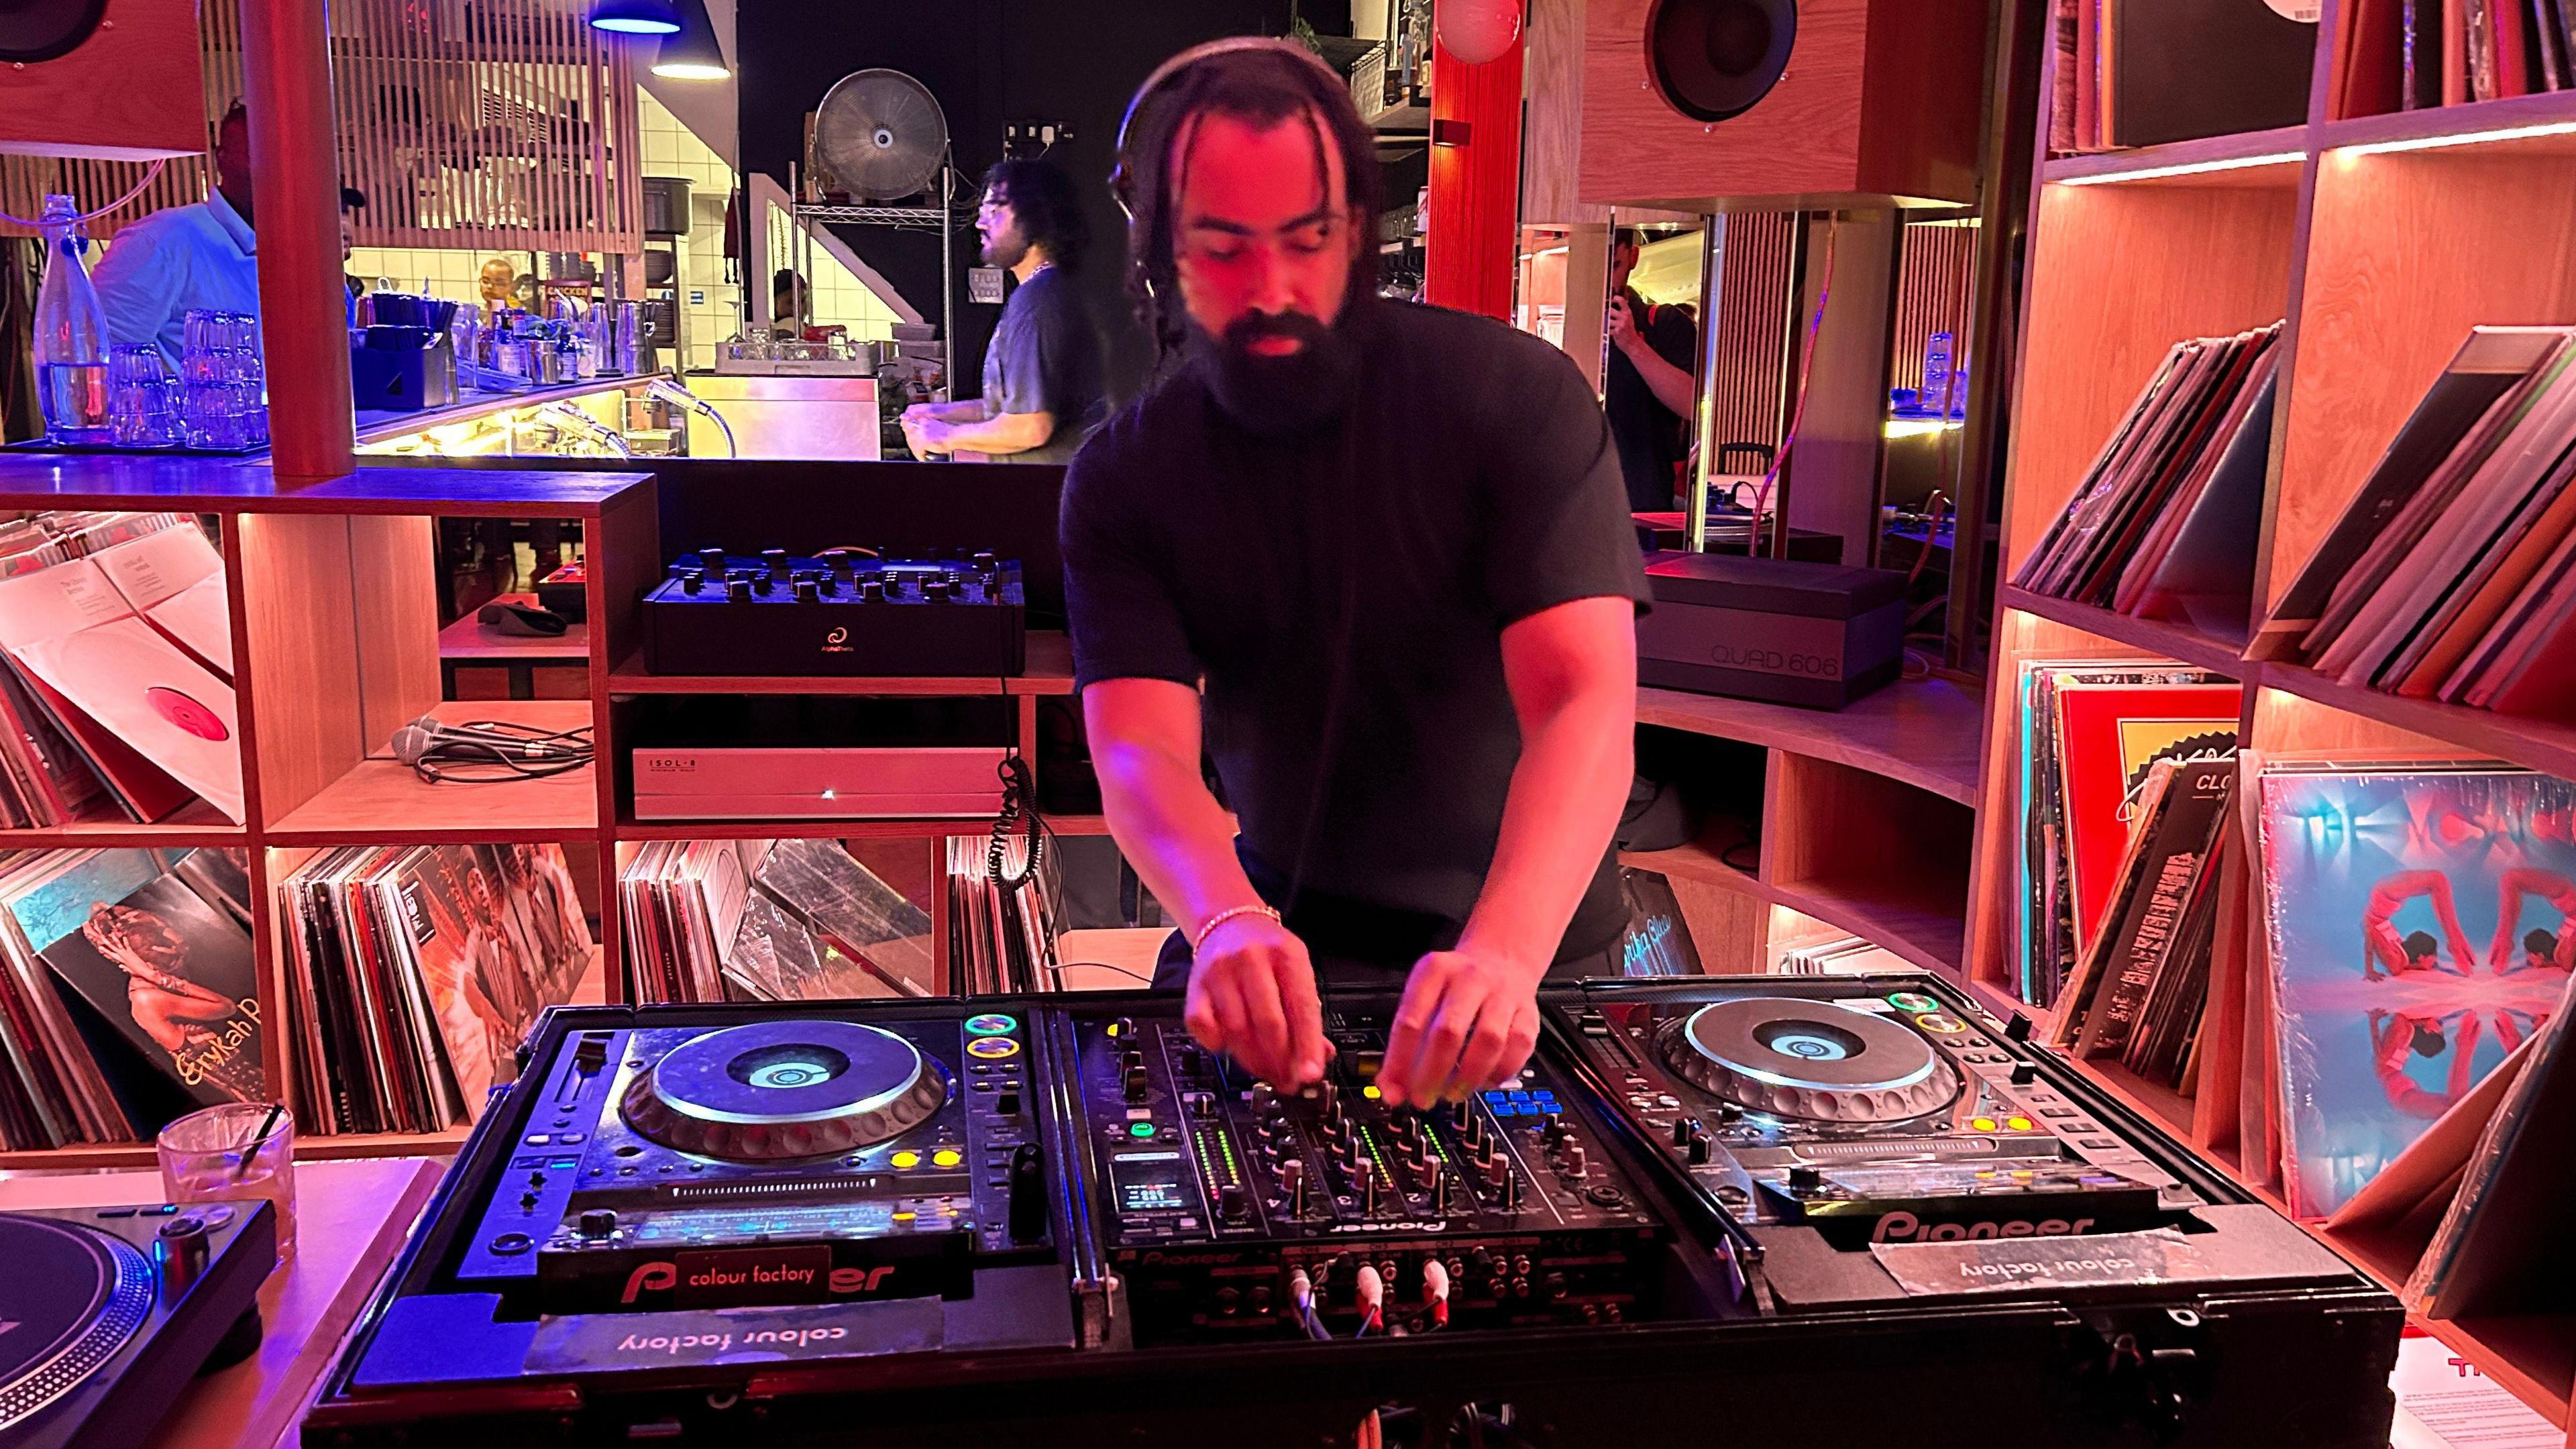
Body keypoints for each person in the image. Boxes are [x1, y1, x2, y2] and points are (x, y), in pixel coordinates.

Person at [1061, 40, 1645, 1106]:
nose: (1272, 288)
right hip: (1274, 938)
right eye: (1223, 248)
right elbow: (1140, 747)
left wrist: (1507, 951)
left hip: (1542, 952)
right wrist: (1223, 916)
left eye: (1308, 240)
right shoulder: (1123, 474)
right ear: (1159, 254)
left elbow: (1583, 697)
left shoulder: (1519, 400)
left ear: (1358, 232)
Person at [93, 104, 372, 367]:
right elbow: (100, 362)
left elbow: (328, 360)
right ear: (221, 159)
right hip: (199, 418)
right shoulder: (163, 241)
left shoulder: (300, 250)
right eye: (261, 155)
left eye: (293, 159)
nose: (281, 173)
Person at [902, 157, 1106, 464]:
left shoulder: (1039, 299)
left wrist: (942, 436)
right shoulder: (1049, 289)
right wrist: (936, 413)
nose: (980, 223)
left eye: (995, 210)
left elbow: (1029, 427)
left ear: (1037, 218)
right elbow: (1008, 407)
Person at [1603, 227, 1699, 514]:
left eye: (1615, 266)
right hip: (1580, 497)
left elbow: (1691, 403)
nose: (1607, 280)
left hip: (1643, 499)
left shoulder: (1663, 323)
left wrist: (1633, 344)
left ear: (1633, 257)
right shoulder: (1574, 325)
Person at [2361, 869, 2477, 979]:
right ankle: (2456, 941)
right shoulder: (2398, 961)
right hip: (2383, 904)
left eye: (2434, 958)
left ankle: (2455, 941)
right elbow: (2370, 931)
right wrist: (2369, 970)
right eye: (2434, 957)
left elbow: (2369, 931)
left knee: (2438, 881)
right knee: (2438, 881)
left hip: (2381, 902)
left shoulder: (2397, 960)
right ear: (2421, 957)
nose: (2435, 961)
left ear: (2421, 957)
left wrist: (2369, 970)